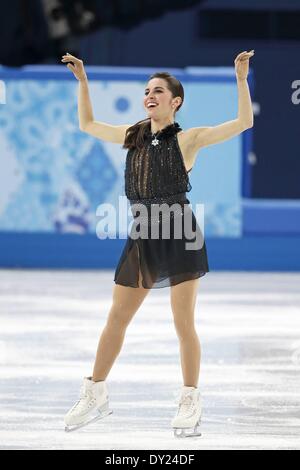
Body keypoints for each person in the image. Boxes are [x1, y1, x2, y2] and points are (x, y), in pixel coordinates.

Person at [61, 50, 254, 436]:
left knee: (183, 323)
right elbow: (86, 124)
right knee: (117, 317)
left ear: (175, 101)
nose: (149, 95)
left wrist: (240, 79)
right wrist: (83, 82)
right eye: (147, 90)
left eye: (158, 91)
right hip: (142, 236)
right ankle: (96, 392)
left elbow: (244, 122)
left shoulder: (190, 139)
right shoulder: (131, 136)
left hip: (180, 234)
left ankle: (190, 399)